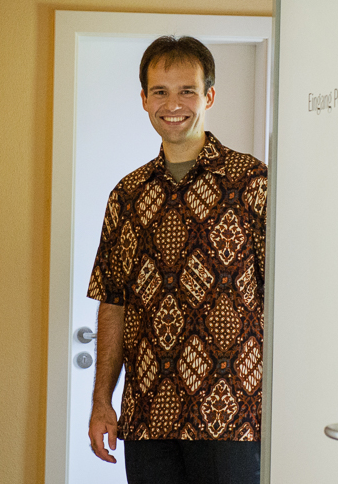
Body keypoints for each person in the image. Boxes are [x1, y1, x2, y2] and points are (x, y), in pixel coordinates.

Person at [87, 35, 268, 484]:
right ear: (144, 100)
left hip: (230, 416)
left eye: (187, 90)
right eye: (160, 92)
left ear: (209, 95)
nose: (174, 104)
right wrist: (100, 402)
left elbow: (286, 297)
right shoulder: (127, 197)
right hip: (149, 415)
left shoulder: (253, 183)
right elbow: (113, 303)